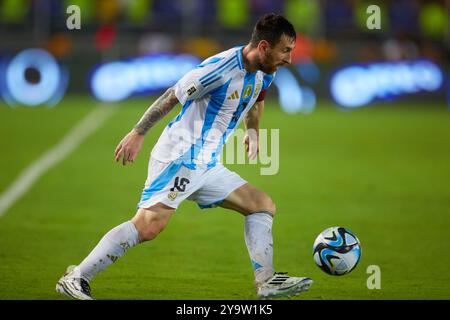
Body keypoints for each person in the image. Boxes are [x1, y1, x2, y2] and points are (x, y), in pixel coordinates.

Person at [56, 13, 312, 300]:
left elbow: (258, 98)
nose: (289, 59)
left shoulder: (267, 70)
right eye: (285, 51)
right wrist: (138, 132)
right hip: (180, 156)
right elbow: (171, 96)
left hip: (207, 162)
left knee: (261, 205)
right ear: (264, 46)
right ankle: (77, 277)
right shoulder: (217, 70)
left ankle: (266, 281)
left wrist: (253, 132)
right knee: (148, 226)